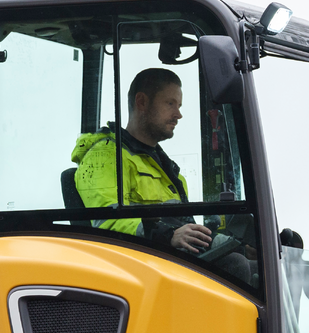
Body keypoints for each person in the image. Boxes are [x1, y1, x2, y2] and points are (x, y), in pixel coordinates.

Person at [71, 68, 217, 255]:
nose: (178, 114)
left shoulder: (167, 170)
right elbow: (106, 223)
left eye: (179, 106)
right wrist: (168, 235)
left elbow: (184, 228)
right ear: (142, 102)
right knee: (237, 266)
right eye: (170, 103)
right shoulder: (104, 158)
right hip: (139, 261)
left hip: (171, 258)